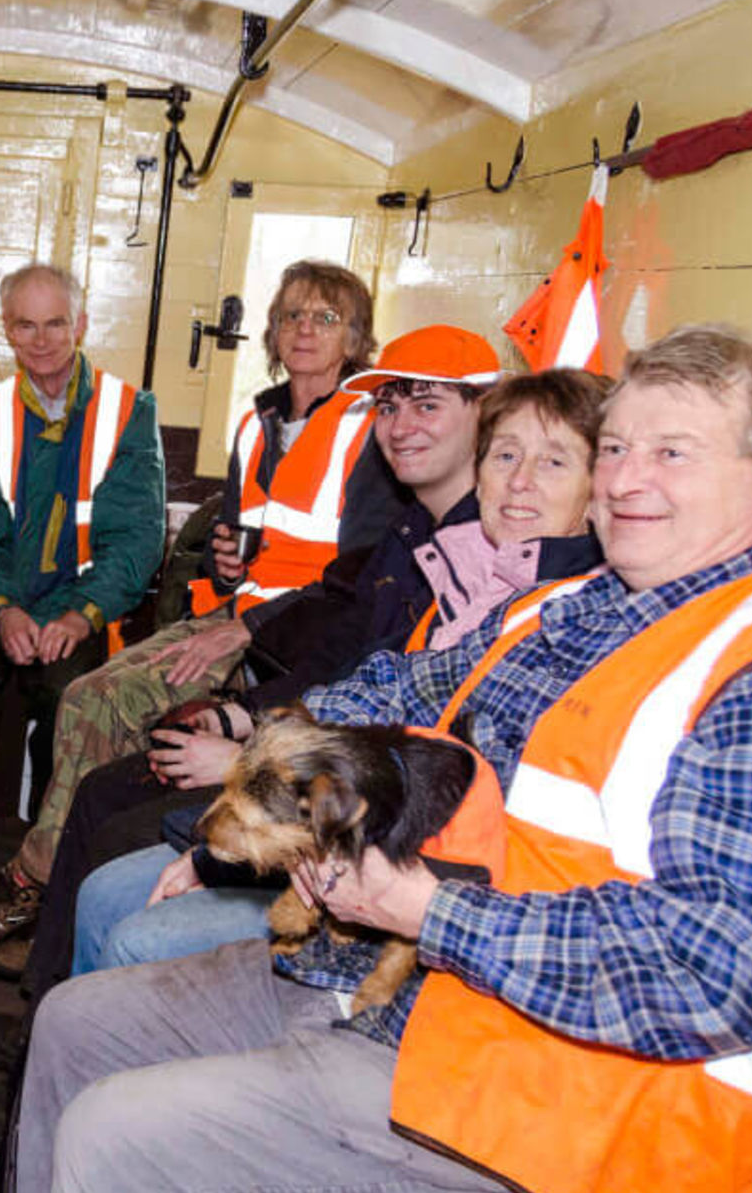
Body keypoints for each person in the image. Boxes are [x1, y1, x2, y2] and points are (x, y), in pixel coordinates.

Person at [11, 325, 752, 1193]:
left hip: (565, 1110)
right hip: (409, 993)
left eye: (674, 453)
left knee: (114, 1137)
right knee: (76, 1023)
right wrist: (278, 770)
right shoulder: (586, 603)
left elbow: (713, 977)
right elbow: (400, 683)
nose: (628, 479)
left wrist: (424, 909)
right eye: (621, 448)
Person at [0, 323, 504, 1150]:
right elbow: (344, 658)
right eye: (393, 403)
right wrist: (244, 709)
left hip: (351, 835)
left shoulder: (494, 572)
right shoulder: (414, 539)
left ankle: (82, 1079)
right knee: (105, 796)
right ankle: (50, 1026)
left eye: (428, 403)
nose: (402, 422)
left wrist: (245, 748)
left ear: (484, 419)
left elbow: (403, 738)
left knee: (118, 854)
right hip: (285, 724)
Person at [73, 367, 611, 980]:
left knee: (134, 924)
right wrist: (254, 735)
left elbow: (437, 776)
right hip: (341, 812)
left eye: (554, 463)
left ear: (601, 491)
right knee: (107, 883)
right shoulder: (467, 569)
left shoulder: (568, 615)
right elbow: (383, 683)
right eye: (507, 455)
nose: (519, 482)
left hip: (420, 884)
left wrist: (254, 786)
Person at [0, 261, 400, 959]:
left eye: (325, 318)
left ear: (355, 336)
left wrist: (239, 624)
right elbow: (237, 549)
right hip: (232, 620)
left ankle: (34, 882)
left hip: (288, 641)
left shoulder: (371, 432)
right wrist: (224, 566)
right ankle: (3, 869)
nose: (305, 330)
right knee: (60, 690)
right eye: (293, 316)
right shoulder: (259, 422)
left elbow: (361, 579)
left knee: (83, 700)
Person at [0, 264, 164, 923]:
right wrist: (2, 608)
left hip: (81, 606)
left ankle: (44, 857)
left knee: (72, 697)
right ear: (8, 332)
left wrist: (82, 615)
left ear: (79, 326)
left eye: (56, 323)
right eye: (27, 324)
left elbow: (136, 541)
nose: (43, 339)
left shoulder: (128, 412)